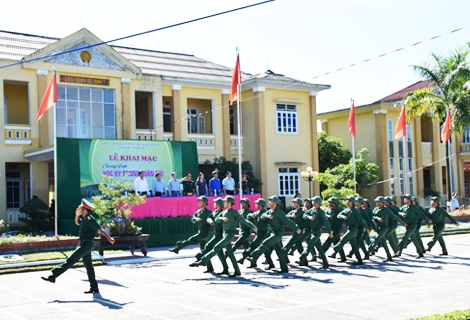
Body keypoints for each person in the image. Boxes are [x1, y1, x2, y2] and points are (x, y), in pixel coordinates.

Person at [41, 199, 115, 293]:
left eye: (80, 207)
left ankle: (53, 275)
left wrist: (109, 238)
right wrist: (76, 215)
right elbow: (77, 223)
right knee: (88, 266)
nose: (78, 208)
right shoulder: (84, 218)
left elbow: (100, 229)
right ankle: (94, 287)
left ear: (84, 209)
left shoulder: (90, 219)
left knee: (71, 260)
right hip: (83, 244)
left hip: (86, 245)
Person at [190, 196, 257, 277]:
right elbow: (216, 220)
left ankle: (203, 261)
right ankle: (237, 271)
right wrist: (221, 218)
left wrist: (253, 226)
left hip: (229, 235)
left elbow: (244, 220)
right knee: (230, 253)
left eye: (225, 202)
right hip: (224, 234)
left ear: (229, 203)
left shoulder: (234, 213)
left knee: (216, 247)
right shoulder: (223, 213)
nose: (224, 203)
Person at [246, 195, 301, 273]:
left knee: (265, 243)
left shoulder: (280, 213)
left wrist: (296, 228)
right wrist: (267, 216)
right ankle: (284, 268)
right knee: (279, 251)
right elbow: (262, 217)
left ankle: (253, 256)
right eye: (269, 201)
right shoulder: (269, 211)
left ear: (275, 203)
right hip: (272, 233)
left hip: (278, 234)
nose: (269, 203)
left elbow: (288, 221)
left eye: (271, 201)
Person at [168, 196, 213, 274]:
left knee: (191, 239)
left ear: (205, 203)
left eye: (200, 201)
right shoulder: (198, 212)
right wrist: (195, 219)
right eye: (198, 201)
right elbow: (193, 218)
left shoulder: (209, 213)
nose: (199, 202)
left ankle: (178, 248)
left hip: (206, 233)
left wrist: (210, 221)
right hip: (200, 232)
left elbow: (210, 219)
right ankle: (210, 268)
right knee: (203, 250)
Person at [296, 196, 333, 269]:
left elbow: (326, 223)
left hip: (317, 232)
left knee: (310, 244)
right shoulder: (312, 210)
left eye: (315, 201)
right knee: (320, 249)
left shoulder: (321, 212)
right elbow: (304, 215)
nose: (313, 202)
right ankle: (325, 264)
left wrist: (330, 232)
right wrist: (309, 217)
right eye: (313, 201)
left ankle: (302, 257)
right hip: (312, 230)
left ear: (318, 203)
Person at [194, 198, 228, 274]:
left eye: (215, 203)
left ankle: (199, 258)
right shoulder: (214, 212)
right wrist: (210, 221)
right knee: (219, 252)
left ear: (218, 205)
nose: (214, 204)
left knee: (210, 247)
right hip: (215, 234)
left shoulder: (223, 213)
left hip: (220, 235)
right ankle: (223, 268)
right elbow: (209, 218)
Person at [332, 196, 368, 265]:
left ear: (351, 202)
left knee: (342, 240)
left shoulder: (355, 211)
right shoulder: (346, 210)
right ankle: (359, 260)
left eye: (348, 201)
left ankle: (334, 251)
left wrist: (366, 227)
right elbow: (338, 215)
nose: (346, 202)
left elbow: (361, 219)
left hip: (353, 229)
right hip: (349, 228)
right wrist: (342, 216)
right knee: (354, 245)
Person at [397, 194, 426, 258]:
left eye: (406, 199)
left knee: (405, 236)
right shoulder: (404, 207)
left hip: (413, 225)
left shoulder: (415, 207)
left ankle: (398, 248)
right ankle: (420, 253)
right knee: (414, 239)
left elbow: (422, 215)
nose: (405, 200)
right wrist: (402, 214)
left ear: (410, 200)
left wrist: (428, 221)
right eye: (404, 199)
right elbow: (398, 212)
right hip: (407, 225)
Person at [368, 196, 395, 262]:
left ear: (383, 203)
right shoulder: (375, 209)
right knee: (384, 243)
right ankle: (389, 257)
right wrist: (377, 218)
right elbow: (372, 216)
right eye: (376, 202)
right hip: (378, 228)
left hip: (384, 228)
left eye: (378, 202)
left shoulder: (386, 210)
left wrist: (403, 223)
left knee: (377, 238)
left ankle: (369, 250)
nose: (377, 203)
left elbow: (394, 216)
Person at [323, 197, 347, 262]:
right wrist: (327, 216)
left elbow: (344, 218)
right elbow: (324, 214)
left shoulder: (340, 210)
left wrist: (343, 230)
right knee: (337, 242)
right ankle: (343, 257)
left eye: (330, 202)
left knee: (328, 241)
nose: (329, 203)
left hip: (337, 229)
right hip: (331, 228)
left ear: (334, 203)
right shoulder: (329, 210)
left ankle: (321, 253)